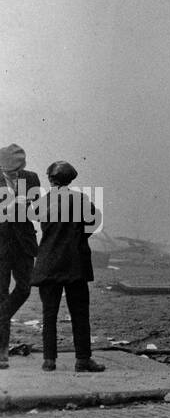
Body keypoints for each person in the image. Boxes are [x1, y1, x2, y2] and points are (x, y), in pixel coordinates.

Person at [30, 161, 104, 373]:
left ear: (50, 179)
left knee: (49, 314)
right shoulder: (81, 200)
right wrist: (80, 237)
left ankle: (49, 361)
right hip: (75, 264)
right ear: (71, 179)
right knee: (80, 314)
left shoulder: (42, 202)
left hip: (49, 264)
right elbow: (95, 221)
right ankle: (82, 360)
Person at [0, 144, 39, 370]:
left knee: (25, 288)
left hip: (23, 244)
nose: (13, 175)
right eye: (8, 171)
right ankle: (2, 353)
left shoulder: (31, 178)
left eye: (17, 171)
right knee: (1, 293)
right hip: (1, 246)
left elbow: (35, 208)